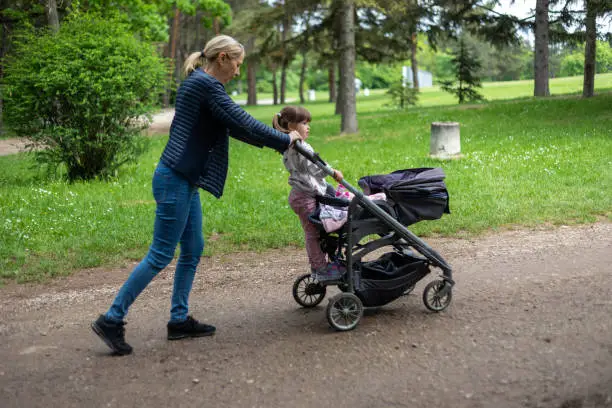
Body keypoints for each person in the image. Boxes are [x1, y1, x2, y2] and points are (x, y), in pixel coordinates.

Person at [91, 35, 303, 356]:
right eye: (236, 63)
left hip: (183, 179)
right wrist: (286, 141)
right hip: (175, 179)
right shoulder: (205, 87)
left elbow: (235, 126)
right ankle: (112, 318)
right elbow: (240, 119)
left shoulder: (200, 84)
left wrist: (277, 138)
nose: (237, 70)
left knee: (193, 247)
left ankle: (178, 320)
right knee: (161, 254)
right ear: (221, 58)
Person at [273, 106, 346, 281]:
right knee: (312, 234)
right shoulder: (299, 147)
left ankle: (322, 264)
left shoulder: (291, 145)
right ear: (291, 127)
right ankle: (320, 269)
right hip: (304, 198)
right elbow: (316, 166)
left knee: (318, 232)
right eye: (304, 123)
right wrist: (333, 172)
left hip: (304, 194)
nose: (308, 127)